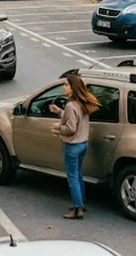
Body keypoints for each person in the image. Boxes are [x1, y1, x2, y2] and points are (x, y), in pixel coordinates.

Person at [49, 74, 100, 220]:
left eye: (66, 85)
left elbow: (71, 128)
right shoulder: (82, 103)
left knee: (72, 178)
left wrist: (58, 127)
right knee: (78, 174)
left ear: (73, 88)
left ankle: (77, 209)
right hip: (83, 143)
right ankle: (81, 202)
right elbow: (74, 118)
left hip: (72, 145)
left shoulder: (71, 105)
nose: (64, 87)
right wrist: (58, 111)